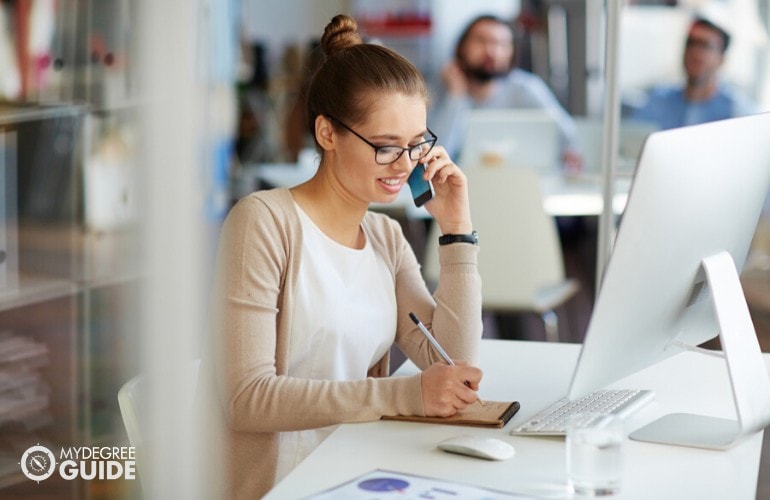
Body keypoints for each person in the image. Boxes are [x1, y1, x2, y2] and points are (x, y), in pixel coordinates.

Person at [200, 14, 484, 499]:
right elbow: (246, 398)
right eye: (385, 147)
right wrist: (402, 395)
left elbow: (454, 361)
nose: (405, 165)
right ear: (327, 133)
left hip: (354, 476)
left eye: (416, 145)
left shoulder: (384, 237)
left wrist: (457, 231)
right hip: (277, 487)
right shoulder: (263, 223)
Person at [430, 14, 582, 171]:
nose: (492, 51)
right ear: (462, 47)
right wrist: (456, 96)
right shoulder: (440, 91)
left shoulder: (526, 88)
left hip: (521, 182)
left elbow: (567, 138)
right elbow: (433, 154)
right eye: (481, 41)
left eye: (502, 44)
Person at [630, 17, 756, 130]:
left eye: (705, 46)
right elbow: (632, 145)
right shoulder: (658, 101)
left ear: (721, 60)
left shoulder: (738, 113)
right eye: (691, 43)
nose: (695, 52)